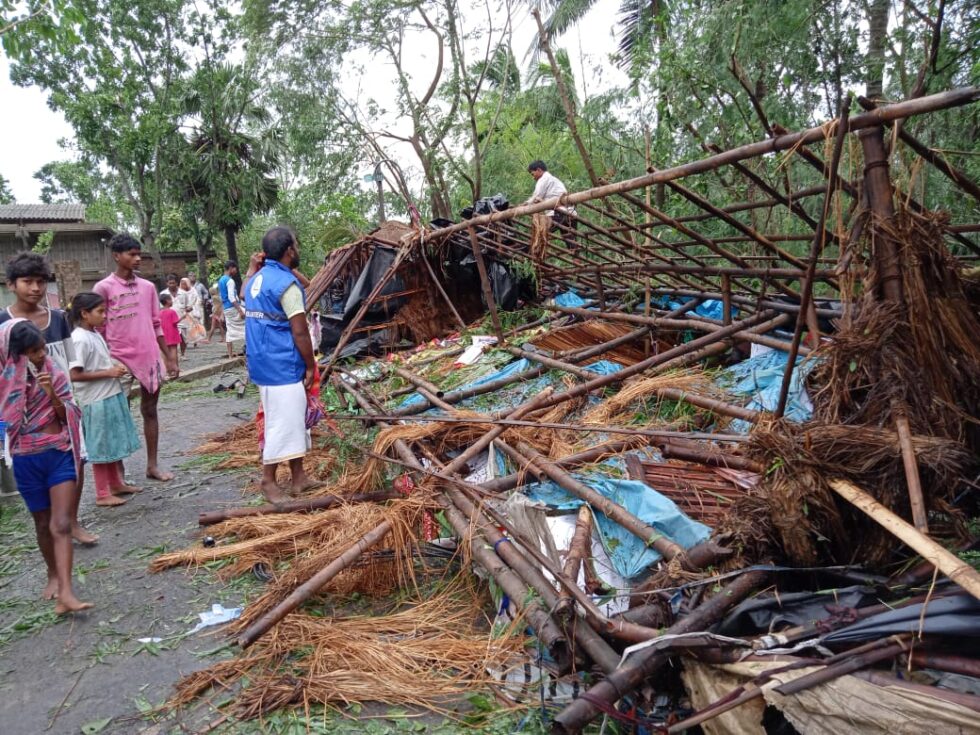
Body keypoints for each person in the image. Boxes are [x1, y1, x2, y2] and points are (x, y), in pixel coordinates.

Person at [2, 252, 98, 545]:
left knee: (76, 463)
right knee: (34, 469)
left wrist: (66, 400)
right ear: (11, 285)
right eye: (27, 281)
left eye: (41, 282)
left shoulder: (57, 319)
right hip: (23, 414)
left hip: (61, 404)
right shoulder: (4, 325)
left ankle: (72, 521)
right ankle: (49, 526)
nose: (35, 288)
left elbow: (68, 362)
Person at [0, 319, 92, 614]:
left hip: (58, 451)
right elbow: (5, 425)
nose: (41, 356)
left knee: (61, 523)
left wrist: (51, 392)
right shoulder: (4, 382)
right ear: (16, 355)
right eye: (32, 352)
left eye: (41, 349)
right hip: (26, 459)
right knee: (42, 523)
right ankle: (53, 573)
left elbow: (69, 414)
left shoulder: (53, 371)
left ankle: (67, 591)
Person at [94, 233, 178, 482]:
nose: (137, 258)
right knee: (118, 414)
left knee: (150, 410)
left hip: (149, 357)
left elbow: (156, 324)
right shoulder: (104, 288)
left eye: (138, 253)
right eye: (131, 254)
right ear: (116, 256)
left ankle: (152, 465)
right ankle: (117, 475)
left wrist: (169, 358)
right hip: (117, 359)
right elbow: (98, 328)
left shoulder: (147, 287)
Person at [242, 226, 317, 503]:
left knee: (293, 419)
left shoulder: (257, 279)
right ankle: (268, 480)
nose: (297, 249)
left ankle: (299, 478)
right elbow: (299, 331)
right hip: (282, 363)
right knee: (281, 424)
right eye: (295, 245)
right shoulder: (287, 286)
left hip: (262, 361)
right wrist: (310, 365)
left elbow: (243, 294)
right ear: (289, 251)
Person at [68, 293, 142, 507]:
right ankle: (102, 493)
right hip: (95, 400)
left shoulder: (94, 333)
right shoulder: (78, 338)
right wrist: (109, 373)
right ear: (84, 313)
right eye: (100, 311)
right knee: (100, 445)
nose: (105, 316)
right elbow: (74, 374)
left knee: (111, 442)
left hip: (109, 394)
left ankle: (116, 483)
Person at [526, 160, 578, 249]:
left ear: (539, 170)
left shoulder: (543, 179)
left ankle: (533, 257)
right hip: (571, 213)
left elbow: (536, 197)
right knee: (571, 241)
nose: (533, 177)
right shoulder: (553, 179)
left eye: (532, 174)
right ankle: (577, 261)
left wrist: (524, 206)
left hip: (558, 213)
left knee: (539, 234)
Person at [217, 260, 245, 358]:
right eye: (235, 268)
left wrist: (221, 313)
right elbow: (232, 297)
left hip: (226, 309)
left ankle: (230, 354)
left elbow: (222, 297)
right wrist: (240, 310)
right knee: (249, 322)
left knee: (229, 329)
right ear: (231, 268)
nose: (236, 271)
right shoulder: (230, 281)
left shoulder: (221, 280)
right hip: (233, 307)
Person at [175, 278, 203, 351]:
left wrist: (193, 307)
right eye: (182, 284)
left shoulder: (193, 291)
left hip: (192, 311)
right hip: (182, 313)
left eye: (185, 284)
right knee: (183, 330)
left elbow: (197, 300)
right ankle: (183, 344)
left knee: (192, 327)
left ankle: (194, 341)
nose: (183, 285)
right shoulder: (178, 292)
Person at [159, 293, 181, 367]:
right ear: (167, 301)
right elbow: (175, 322)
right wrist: (183, 317)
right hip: (173, 334)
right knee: (173, 350)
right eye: (171, 299)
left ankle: (167, 368)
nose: (172, 301)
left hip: (163, 334)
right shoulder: (172, 311)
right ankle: (175, 366)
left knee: (164, 352)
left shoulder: (160, 312)